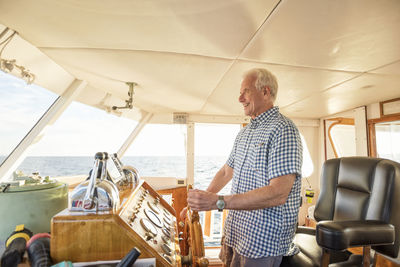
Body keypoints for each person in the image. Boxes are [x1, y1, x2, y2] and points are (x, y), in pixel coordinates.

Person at [186, 68, 303, 267]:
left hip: (263, 241)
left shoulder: (284, 129)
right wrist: (200, 201)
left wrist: (217, 202)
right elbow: (226, 171)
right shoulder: (245, 132)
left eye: (245, 92)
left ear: (265, 92)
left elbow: (278, 193)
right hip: (237, 232)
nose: (240, 98)